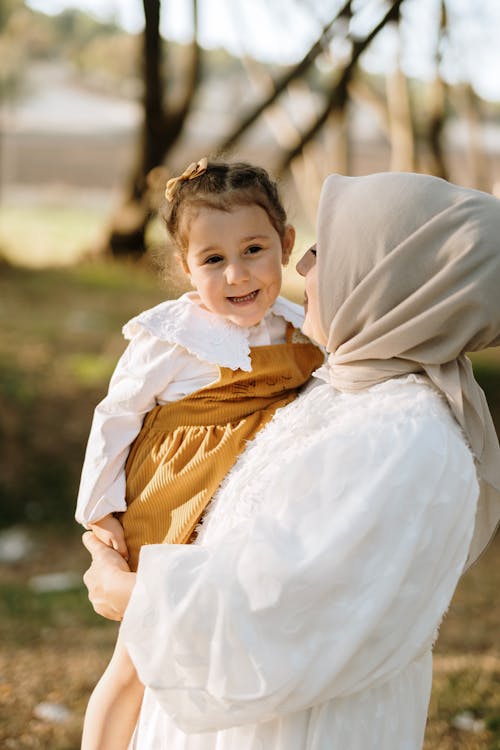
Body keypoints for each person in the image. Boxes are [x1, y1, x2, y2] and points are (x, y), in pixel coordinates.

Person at [82, 171, 500, 750]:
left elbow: (289, 602)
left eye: (322, 251)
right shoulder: (346, 387)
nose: (301, 268)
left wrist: (129, 592)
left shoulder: (402, 435)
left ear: (387, 279)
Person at [75, 158, 324, 750]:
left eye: (254, 249)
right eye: (213, 260)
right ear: (186, 267)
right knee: (137, 659)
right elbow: (115, 417)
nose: (237, 274)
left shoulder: (302, 329)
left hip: (242, 510)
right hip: (172, 502)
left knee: (204, 652)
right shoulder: (172, 335)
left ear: (286, 245)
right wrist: (100, 509)